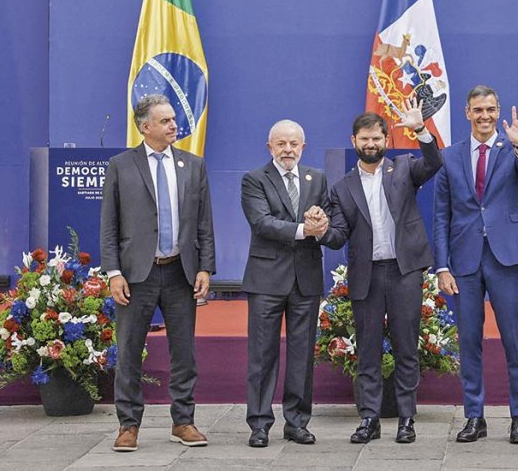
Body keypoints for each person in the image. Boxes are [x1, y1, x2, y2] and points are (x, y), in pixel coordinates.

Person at [100, 93, 216, 453]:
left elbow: (204, 223)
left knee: (184, 352)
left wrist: (205, 267)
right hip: (137, 274)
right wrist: (113, 272)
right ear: (144, 126)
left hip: (181, 271)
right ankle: (128, 425)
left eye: (173, 119)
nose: (173, 125)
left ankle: (183, 421)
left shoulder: (193, 165)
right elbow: (109, 225)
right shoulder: (121, 165)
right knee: (129, 351)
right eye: (165, 121)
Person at [328, 97, 443, 444]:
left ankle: (407, 418)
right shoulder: (341, 187)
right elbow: (337, 236)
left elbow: (434, 162)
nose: (370, 144)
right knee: (368, 350)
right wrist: (320, 231)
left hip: (404, 271)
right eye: (364, 138)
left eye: (376, 138)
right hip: (366, 276)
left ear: (386, 139)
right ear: (354, 141)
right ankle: (369, 418)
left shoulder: (404, 168)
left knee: (406, 347)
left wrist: (420, 128)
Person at [432, 85, 518, 444]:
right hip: (464, 261)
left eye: (491, 110)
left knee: (514, 340)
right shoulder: (449, 156)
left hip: (505, 258)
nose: (485, 116)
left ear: (498, 112)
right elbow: (441, 216)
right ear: (467, 113)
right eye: (478, 110)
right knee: (469, 342)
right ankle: (474, 417)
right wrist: (441, 266)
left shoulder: (513, 148)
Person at [240, 119, 340, 448]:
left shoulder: (316, 177)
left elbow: (326, 217)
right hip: (266, 280)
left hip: (305, 280)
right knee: (262, 355)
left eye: (293, 144)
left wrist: (322, 223)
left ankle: (297, 422)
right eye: (281, 143)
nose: (287, 150)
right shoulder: (254, 179)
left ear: (303, 147)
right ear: (269, 147)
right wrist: (303, 230)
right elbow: (262, 223)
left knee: (302, 356)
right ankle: (259, 424)